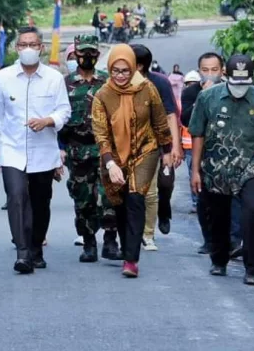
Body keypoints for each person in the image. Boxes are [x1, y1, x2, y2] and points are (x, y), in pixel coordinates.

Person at [0, 26, 71, 274]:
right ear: (16, 48)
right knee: (16, 197)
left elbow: (64, 110)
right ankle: (22, 254)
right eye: (23, 45)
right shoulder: (4, 77)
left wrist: (48, 121)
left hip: (43, 152)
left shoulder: (54, 78)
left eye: (33, 44)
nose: (28, 49)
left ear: (41, 48)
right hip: (11, 150)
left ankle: (36, 249)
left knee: (40, 202)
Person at [189, 54, 254, 286]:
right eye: (235, 82)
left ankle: (252, 268)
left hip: (249, 166)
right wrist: (195, 170)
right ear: (225, 76)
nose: (240, 88)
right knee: (218, 216)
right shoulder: (208, 98)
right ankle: (219, 260)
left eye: (245, 83)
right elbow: (197, 134)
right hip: (215, 167)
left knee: (253, 212)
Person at [92, 44, 172, 277]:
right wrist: (110, 163)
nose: (120, 75)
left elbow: (159, 121)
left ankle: (131, 259)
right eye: (115, 70)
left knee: (136, 198)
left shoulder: (147, 88)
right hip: (114, 156)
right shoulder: (102, 95)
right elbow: (101, 134)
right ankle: (127, 245)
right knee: (120, 204)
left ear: (134, 69)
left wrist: (167, 150)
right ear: (109, 70)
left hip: (145, 150)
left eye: (125, 71)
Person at [58, 35, 121, 263]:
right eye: (83, 53)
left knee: (110, 196)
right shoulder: (65, 84)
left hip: (105, 151)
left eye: (91, 53)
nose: (87, 57)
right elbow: (59, 118)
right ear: (76, 53)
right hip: (77, 151)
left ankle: (111, 242)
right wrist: (60, 148)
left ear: (97, 54)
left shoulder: (108, 83)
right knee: (83, 199)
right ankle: (89, 243)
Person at [181, 52, 242, 255]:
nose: (210, 74)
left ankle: (234, 240)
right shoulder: (191, 92)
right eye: (205, 70)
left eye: (214, 70)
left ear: (223, 70)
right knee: (204, 198)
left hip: (229, 149)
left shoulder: (233, 90)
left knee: (234, 196)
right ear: (199, 71)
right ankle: (209, 239)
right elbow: (186, 120)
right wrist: (202, 98)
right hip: (202, 151)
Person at [132, 45, 182, 250]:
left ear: (140, 65)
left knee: (157, 189)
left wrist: (173, 148)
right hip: (126, 145)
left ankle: (149, 232)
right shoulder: (117, 82)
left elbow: (171, 114)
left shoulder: (159, 83)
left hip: (155, 145)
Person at [182, 70, 201, 213]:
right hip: (188, 147)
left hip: (203, 145)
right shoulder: (185, 99)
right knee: (192, 174)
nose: (191, 86)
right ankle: (196, 203)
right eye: (189, 84)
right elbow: (181, 121)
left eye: (193, 83)